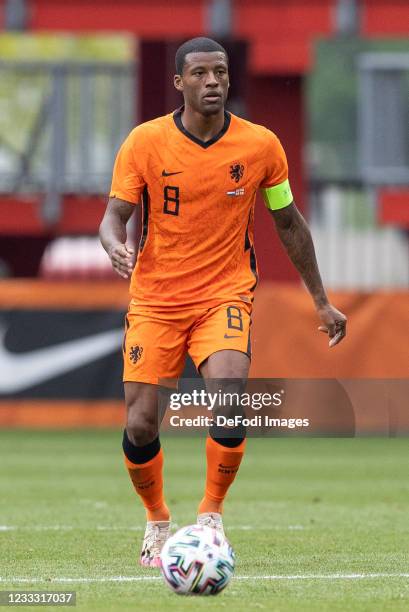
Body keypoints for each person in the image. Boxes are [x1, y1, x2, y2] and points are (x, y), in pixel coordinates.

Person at [99, 37, 347, 568]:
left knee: (230, 394)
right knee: (141, 422)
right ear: (179, 83)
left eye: (221, 73)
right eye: (201, 74)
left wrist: (321, 302)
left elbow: (288, 221)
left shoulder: (260, 147)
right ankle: (157, 520)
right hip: (156, 300)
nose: (213, 82)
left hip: (225, 293)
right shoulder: (145, 142)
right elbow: (114, 215)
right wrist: (112, 242)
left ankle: (210, 515)